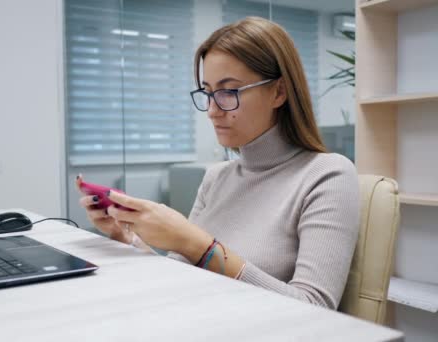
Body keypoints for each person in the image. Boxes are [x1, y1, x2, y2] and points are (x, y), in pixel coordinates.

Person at [76, 16, 359, 310]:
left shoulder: (327, 175)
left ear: (279, 92)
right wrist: (126, 237)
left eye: (228, 92)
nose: (212, 110)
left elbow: (315, 308)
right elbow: (179, 274)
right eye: (208, 92)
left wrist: (199, 245)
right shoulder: (216, 177)